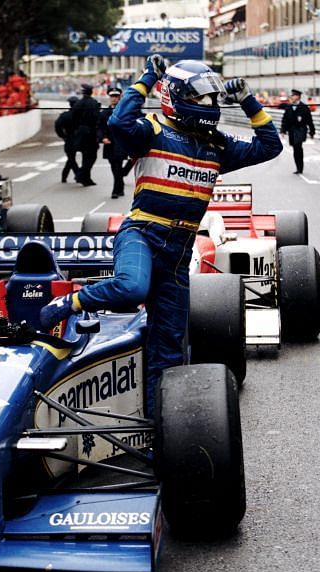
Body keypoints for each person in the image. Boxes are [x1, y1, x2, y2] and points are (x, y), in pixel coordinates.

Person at [40, 55, 283, 416]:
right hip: (141, 233)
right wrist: (147, 78)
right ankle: (66, 304)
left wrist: (249, 100)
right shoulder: (152, 131)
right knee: (132, 287)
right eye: (201, 98)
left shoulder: (218, 146)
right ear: (178, 96)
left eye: (212, 98)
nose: (210, 104)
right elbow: (119, 121)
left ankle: (161, 431)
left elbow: (270, 146)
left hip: (180, 252)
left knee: (168, 349)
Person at [97, 87, 129, 198]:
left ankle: (115, 190)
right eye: (112, 97)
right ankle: (120, 187)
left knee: (117, 166)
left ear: (120, 98)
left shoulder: (125, 112)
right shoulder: (104, 113)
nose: (114, 99)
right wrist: (102, 138)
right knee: (113, 166)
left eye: (116, 96)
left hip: (120, 143)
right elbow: (100, 128)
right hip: (109, 143)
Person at [71, 83, 101, 186]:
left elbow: (73, 118)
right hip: (90, 132)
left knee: (85, 156)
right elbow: (97, 119)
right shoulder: (93, 103)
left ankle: (86, 179)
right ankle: (81, 174)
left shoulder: (78, 104)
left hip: (80, 132)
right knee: (92, 157)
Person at [280, 89, 315, 175]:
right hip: (292, 131)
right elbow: (285, 120)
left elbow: (309, 121)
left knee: (298, 146)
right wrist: (283, 130)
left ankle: (300, 168)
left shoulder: (304, 107)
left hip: (301, 130)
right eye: (292, 95)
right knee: (295, 149)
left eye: (294, 95)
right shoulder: (289, 107)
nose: (292, 97)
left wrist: (312, 132)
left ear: (298, 97)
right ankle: (298, 167)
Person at [54, 95, 80, 183]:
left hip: (69, 138)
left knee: (71, 158)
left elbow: (58, 126)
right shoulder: (82, 115)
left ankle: (66, 175)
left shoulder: (64, 115)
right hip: (80, 138)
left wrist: (62, 136)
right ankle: (77, 174)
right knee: (71, 159)